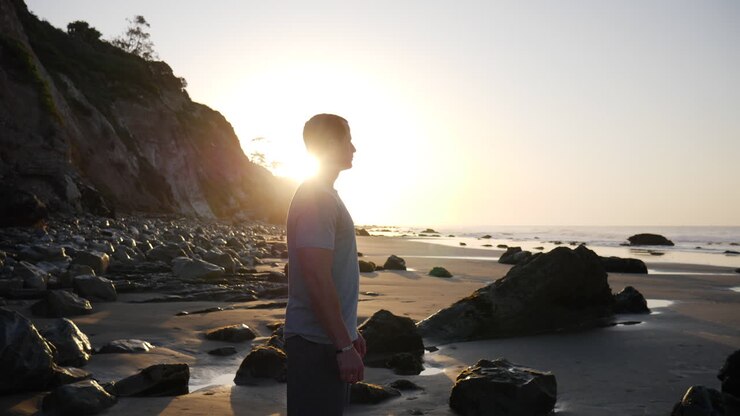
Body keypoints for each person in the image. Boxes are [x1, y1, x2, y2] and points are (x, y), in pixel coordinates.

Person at [284, 114, 366, 415]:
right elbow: (316, 276)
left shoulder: (324, 194)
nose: (354, 148)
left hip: (325, 340)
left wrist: (350, 332)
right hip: (315, 343)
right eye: (348, 140)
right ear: (331, 144)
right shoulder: (316, 197)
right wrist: (343, 346)